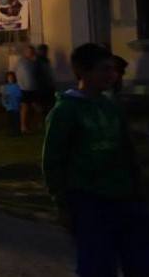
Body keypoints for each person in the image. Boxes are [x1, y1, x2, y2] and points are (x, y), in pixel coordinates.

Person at [42, 43, 149, 277]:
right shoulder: (66, 111)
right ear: (84, 71)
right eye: (104, 69)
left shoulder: (110, 105)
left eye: (112, 69)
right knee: (98, 266)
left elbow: (127, 148)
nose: (112, 75)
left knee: (139, 262)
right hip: (90, 201)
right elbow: (53, 159)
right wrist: (61, 202)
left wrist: (138, 187)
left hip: (127, 198)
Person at [15, 45, 38, 133]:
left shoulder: (31, 62)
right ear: (25, 52)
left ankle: (27, 125)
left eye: (32, 52)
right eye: (29, 52)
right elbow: (24, 75)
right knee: (26, 107)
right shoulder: (23, 62)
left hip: (31, 88)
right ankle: (23, 126)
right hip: (25, 88)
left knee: (29, 107)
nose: (31, 53)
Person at [36, 44, 56, 115]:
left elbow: (49, 72)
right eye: (43, 51)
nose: (45, 52)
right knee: (43, 105)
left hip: (48, 85)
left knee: (49, 104)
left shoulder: (46, 60)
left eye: (45, 51)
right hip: (41, 86)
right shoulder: (37, 61)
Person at [1, 71, 22, 136]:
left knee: (16, 119)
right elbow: (3, 96)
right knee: (9, 120)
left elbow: (19, 95)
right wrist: (4, 102)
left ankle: (16, 131)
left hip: (15, 106)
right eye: (9, 78)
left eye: (11, 77)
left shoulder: (16, 86)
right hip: (9, 106)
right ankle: (10, 131)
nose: (10, 79)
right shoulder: (5, 87)